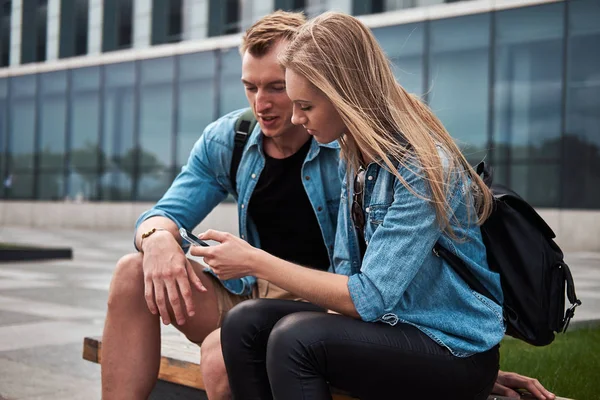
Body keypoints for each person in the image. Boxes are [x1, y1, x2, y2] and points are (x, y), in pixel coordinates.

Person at [101, 9, 555, 400]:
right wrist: (158, 235)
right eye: (250, 88)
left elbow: (369, 295)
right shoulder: (351, 155)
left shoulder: (417, 166)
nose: (272, 108)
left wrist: (255, 261)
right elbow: (349, 274)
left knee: (294, 339)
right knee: (243, 323)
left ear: (341, 96)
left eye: (295, 98)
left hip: (436, 339)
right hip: (380, 322)